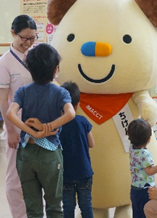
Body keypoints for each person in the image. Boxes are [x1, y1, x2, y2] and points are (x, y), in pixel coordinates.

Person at [6, 43, 75, 218]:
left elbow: (10, 114)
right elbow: (70, 113)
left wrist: (32, 132)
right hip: (49, 153)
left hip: (27, 153)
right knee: (54, 207)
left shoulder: (23, 91)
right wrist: (48, 127)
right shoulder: (60, 92)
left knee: (33, 209)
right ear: (55, 69)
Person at [0, 14, 36, 218]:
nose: (28, 43)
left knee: (38, 174)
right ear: (13, 33)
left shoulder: (35, 55)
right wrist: (10, 130)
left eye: (32, 38)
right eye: (24, 38)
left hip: (39, 125)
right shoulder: (5, 62)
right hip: (17, 125)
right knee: (15, 176)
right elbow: (3, 101)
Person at [59, 81, 95, 218]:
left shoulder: (57, 124)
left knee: (67, 207)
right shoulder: (83, 121)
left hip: (65, 174)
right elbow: (92, 143)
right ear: (78, 104)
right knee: (86, 206)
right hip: (84, 172)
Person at [128, 119, 157, 218]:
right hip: (145, 190)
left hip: (134, 189)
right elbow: (149, 171)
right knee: (146, 213)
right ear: (149, 139)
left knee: (137, 213)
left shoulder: (131, 148)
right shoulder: (144, 154)